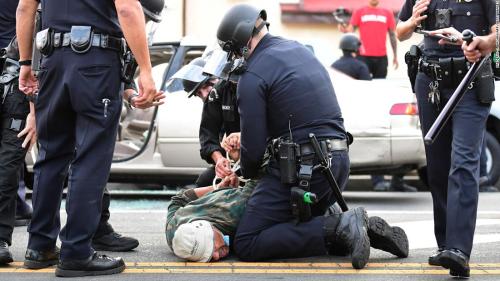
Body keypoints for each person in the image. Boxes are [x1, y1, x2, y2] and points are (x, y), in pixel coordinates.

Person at [215, 4, 372, 269]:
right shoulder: (299, 49)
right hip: (337, 164)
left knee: (248, 241)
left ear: (241, 45)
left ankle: (339, 225)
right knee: (292, 222)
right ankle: (358, 229)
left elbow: (252, 157)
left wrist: (240, 172)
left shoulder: (252, 75)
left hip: (305, 170)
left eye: (232, 51)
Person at [16, 0, 158, 277]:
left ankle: (39, 247)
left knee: (50, 157)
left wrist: (25, 62)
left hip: (52, 61)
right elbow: (128, 8)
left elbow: (24, 8)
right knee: (90, 159)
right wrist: (146, 70)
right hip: (96, 63)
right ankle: (76, 252)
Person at [167, 133, 409, 262]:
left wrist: (242, 159)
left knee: (248, 245)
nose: (219, 255)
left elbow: (260, 187)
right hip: (311, 188)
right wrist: (217, 188)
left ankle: (339, 226)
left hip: (302, 197)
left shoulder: (233, 215)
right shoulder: (176, 229)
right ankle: (352, 230)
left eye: (216, 248)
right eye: (211, 258)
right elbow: (179, 198)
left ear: (210, 230)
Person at [396, 0, 497, 277]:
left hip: (471, 81)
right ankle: (446, 247)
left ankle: (459, 250)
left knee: (463, 162)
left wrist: (483, 42)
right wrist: (413, 21)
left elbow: (497, 32)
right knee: (438, 168)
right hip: (430, 82)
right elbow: (400, 32)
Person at [92, 0, 166, 253]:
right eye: (143, 17)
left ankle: (94, 230)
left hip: (100, 94)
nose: (143, 24)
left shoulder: (126, 40)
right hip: (84, 89)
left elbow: (125, 81)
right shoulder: (104, 28)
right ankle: (79, 239)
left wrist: (135, 98)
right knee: (84, 164)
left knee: (94, 166)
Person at [340, 0, 399, 79]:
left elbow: (392, 35)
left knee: (380, 85)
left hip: (381, 58)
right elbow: (350, 32)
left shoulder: (387, 12)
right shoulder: (359, 11)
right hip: (362, 56)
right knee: (362, 84)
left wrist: (395, 56)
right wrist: (344, 30)